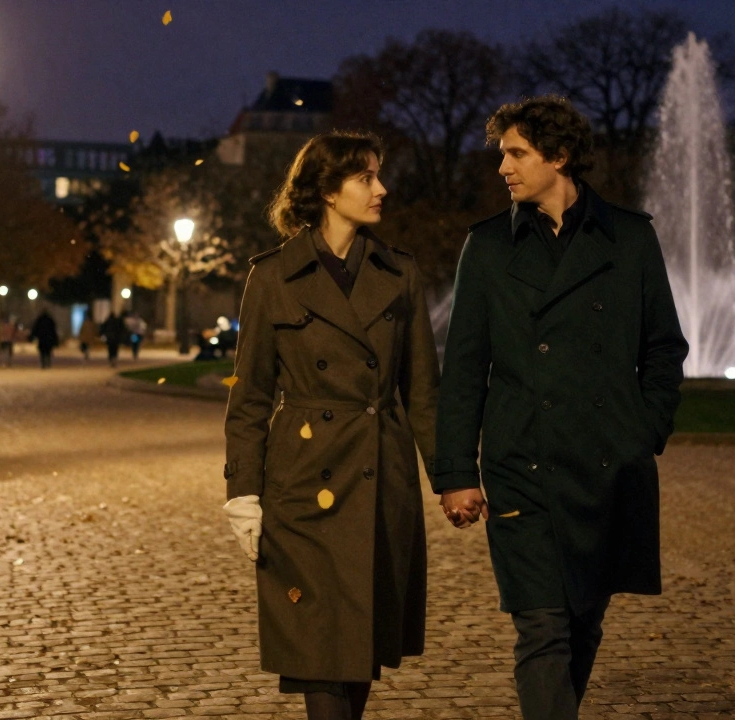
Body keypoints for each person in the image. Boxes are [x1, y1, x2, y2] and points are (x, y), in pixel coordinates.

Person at [433, 95, 689, 719]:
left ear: (560, 155)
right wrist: (457, 473)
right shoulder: (489, 247)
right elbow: (465, 366)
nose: (504, 168)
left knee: (582, 623)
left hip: (607, 464)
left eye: (517, 153)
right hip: (524, 462)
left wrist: (644, 430)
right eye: (503, 155)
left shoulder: (629, 238)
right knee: (542, 628)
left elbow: (663, 346)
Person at [222, 131, 439, 720]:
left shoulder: (399, 274)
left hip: (378, 476)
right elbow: (250, 397)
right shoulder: (272, 277)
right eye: (366, 177)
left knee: (360, 642)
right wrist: (243, 490)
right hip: (301, 483)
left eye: (378, 175)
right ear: (327, 189)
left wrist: (453, 478)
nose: (381, 188)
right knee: (318, 643)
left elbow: (422, 392)